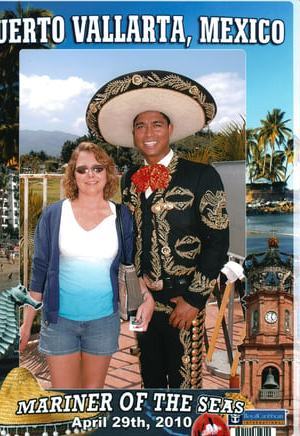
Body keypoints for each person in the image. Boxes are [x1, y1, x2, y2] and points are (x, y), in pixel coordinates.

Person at [86, 70, 230, 388]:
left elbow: (218, 241)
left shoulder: (201, 176)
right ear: (134, 133)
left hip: (183, 302)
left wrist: (194, 299)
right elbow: (129, 237)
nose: (148, 133)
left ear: (170, 129)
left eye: (156, 124)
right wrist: (136, 290)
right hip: (143, 302)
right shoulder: (130, 178)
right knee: (149, 379)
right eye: (141, 126)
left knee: (184, 387)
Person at [20, 142, 154, 389]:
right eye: (82, 169)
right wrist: (27, 324)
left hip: (103, 322)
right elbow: (39, 272)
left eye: (97, 168)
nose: (90, 174)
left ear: (107, 173)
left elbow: (131, 266)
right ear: (73, 175)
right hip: (59, 323)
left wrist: (146, 297)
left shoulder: (122, 216)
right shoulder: (53, 215)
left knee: (91, 399)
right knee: (65, 400)